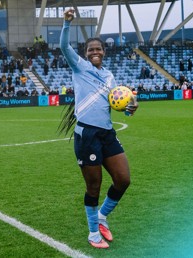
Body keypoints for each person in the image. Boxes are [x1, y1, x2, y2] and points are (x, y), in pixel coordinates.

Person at [58, 8, 138, 249]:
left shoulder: (110, 76)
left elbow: (115, 104)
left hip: (107, 133)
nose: (95, 52)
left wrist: (129, 108)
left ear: (104, 52)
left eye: (98, 49)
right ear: (85, 53)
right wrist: (67, 23)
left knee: (123, 179)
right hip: (87, 135)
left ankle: (102, 216)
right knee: (94, 186)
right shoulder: (80, 67)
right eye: (91, 49)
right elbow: (64, 47)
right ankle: (93, 233)